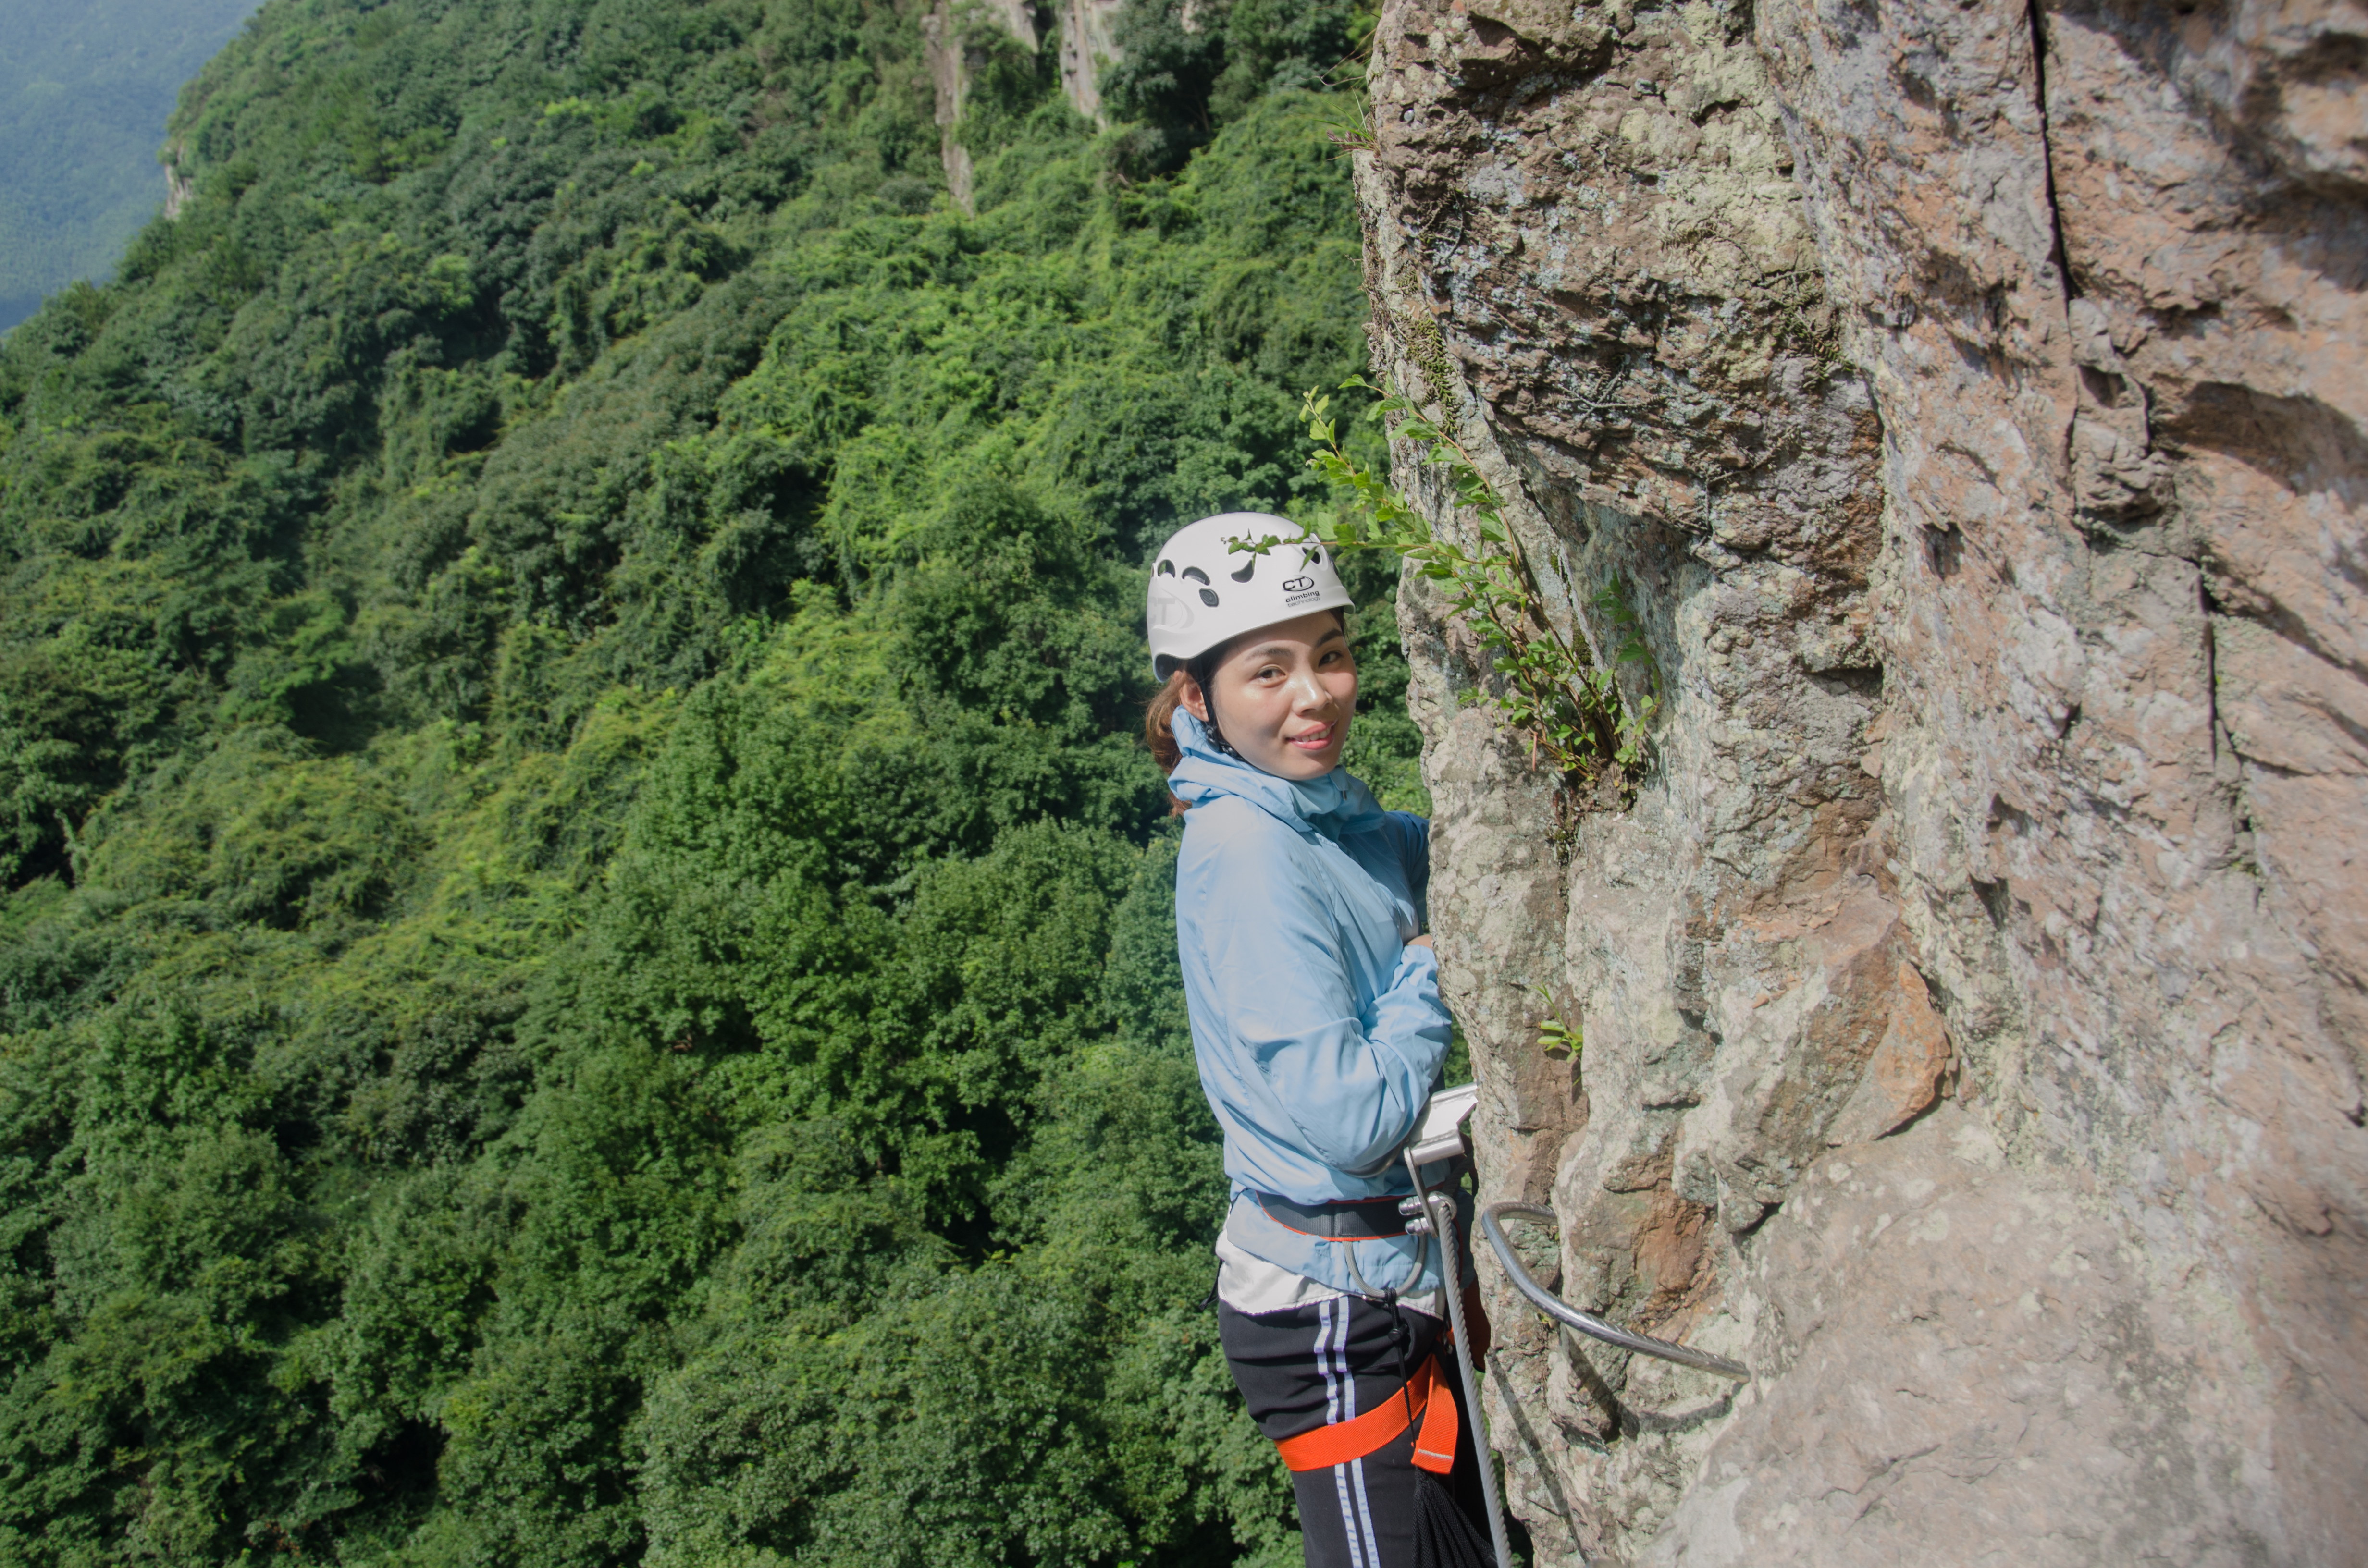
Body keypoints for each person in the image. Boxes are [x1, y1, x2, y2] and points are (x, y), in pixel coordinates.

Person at [1144, 513, 1497, 1568]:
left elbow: (1430, 859)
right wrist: (1432, 964)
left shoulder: (1318, 810)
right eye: (1269, 671)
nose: (1315, 696)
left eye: (1330, 656)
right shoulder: (1246, 848)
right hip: (1333, 1317)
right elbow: (1355, 1119)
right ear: (1196, 696)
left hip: (1389, 1276)